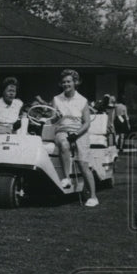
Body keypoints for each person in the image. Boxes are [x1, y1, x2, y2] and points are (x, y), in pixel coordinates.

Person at [51, 68, 99, 208]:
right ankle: (66, 178)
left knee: (83, 164)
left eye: (69, 82)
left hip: (79, 132)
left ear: (75, 83)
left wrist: (76, 134)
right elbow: (53, 121)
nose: (66, 84)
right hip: (62, 130)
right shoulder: (56, 99)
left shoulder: (83, 100)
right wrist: (56, 117)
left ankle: (93, 197)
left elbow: (87, 123)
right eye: (64, 82)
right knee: (64, 144)